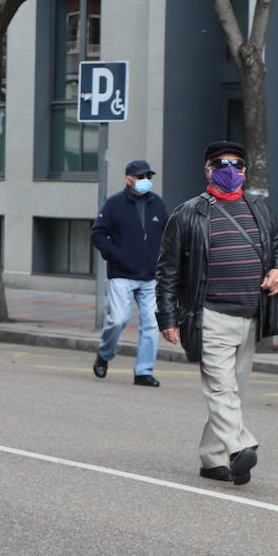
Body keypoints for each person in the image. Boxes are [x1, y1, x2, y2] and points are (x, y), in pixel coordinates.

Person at [156, 141, 278, 486]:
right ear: (207, 170)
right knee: (221, 390)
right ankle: (240, 447)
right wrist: (167, 317)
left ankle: (212, 457)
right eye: (220, 163)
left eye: (236, 164)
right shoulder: (188, 213)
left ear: (245, 171)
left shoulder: (259, 210)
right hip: (210, 316)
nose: (230, 170)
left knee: (235, 393)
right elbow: (168, 271)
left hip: (251, 317)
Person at [90, 159, 169, 386]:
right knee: (117, 319)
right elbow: (98, 234)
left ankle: (143, 371)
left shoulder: (157, 204)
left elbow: (168, 235)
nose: (146, 181)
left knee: (151, 325)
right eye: (141, 177)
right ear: (128, 179)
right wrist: (116, 256)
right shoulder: (114, 204)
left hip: (150, 276)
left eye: (148, 177)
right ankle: (104, 355)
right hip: (122, 274)